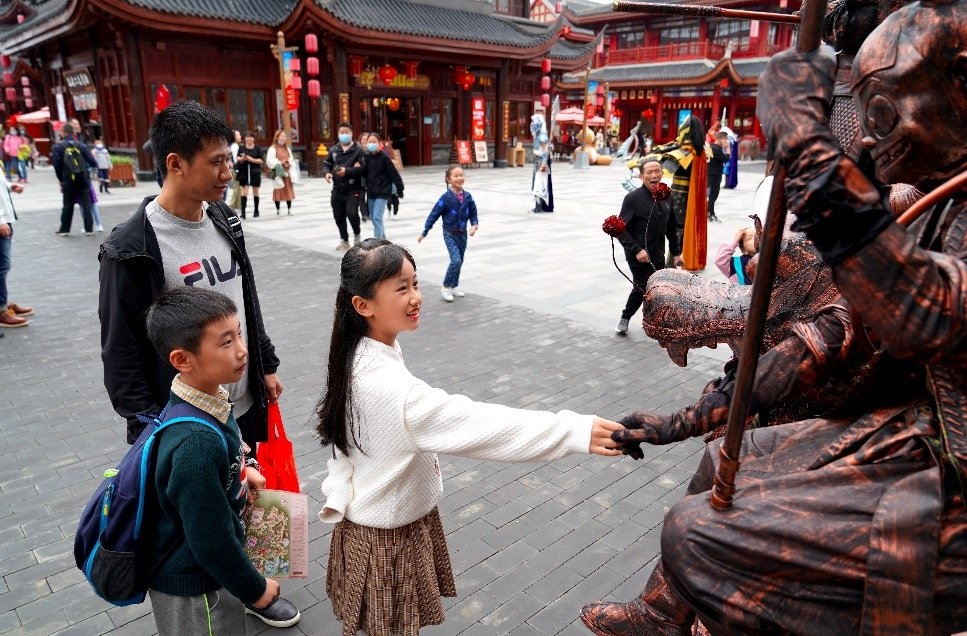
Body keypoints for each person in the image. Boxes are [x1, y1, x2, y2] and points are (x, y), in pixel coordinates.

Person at [582, 2, 967, 633]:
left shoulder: (922, 207)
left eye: (881, 115)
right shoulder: (930, 203)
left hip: (951, 470)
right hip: (919, 429)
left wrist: (809, 146)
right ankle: (661, 614)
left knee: (699, 537)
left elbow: (924, 311)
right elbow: (820, 338)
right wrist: (681, 422)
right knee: (722, 464)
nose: (870, 140)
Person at [315, 239, 623, 636]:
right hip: (385, 538)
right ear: (363, 305)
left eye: (415, 283)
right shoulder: (392, 389)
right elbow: (482, 425)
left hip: (371, 522)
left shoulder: (356, 351)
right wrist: (574, 431)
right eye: (402, 288)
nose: (416, 297)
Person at [98, 101, 298, 628]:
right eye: (217, 161)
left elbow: (246, 299)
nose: (228, 171)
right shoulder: (131, 248)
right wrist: (153, 430)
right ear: (175, 164)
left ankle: (254, 583)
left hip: (239, 399)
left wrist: (265, 362)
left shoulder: (224, 219)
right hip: (188, 417)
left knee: (248, 493)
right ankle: (230, 594)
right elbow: (121, 354)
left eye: (229, 159)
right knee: (203, 516)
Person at [142, 286, 300, 633]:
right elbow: (210, 541)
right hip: (198, 588)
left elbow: (227, 446)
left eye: (239, 335)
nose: (242, 350)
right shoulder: (194, 446)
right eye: (226, 342)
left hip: (209, 573)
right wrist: (255, 590)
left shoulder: (206, 397)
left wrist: (243, 469)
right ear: (183, 360)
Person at [614, 157, 683, 335]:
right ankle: (625, 317)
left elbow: (671, 227)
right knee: (642, 286)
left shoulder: (666, 196)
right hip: (637, 255)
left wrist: (676, 253)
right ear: (641, 176)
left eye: (657, 171)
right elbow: (620, 230)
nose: (654, 175)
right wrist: (637, 250)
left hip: (657, 253)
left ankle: (657, 320)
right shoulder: (632, 199)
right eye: (649, 172)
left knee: (658, 287)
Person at [417, 166, 478, 302]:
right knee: (456, 260)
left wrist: (474, 225)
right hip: (449, 234)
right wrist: (425, 231)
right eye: (456, 176)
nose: (459, 178)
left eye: (461, 175)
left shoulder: (468, 196)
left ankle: (454, 285)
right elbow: (434, 215)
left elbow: (473, 213)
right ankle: (445, 286)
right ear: (448, 179)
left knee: (460, 261)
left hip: (462, 234)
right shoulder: (445, 198)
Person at [322, 122, 365, 251]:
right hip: (337, 188)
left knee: (352, 213)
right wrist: (327, 173)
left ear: (352, 134)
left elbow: (363, 168)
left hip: (353, 188)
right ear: (338, 134)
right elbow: (327, 163)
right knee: (338, 215)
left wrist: (347, 171)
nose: (344, 135)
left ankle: (357, 235)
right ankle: (344, 240)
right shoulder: (334, 150)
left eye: (347, 132)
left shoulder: (358, 150)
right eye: (342, 133)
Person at [51, 122, 97, 236]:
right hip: (83, 177)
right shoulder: (81, 145)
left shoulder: (58, 147)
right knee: (86, 202)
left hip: (68, 179)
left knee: (67, 203)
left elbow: (57, 165)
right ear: (73, 132)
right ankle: (89, 229)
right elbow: (93, 162)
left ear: (63, 132)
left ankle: (65, 229)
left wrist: (61, 179)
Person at [0, 169, 31, 330]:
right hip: (2, 221)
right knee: (2, 266)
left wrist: (10, 186)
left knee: (3, 266)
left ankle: (3, 304)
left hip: (6, 219)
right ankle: (1, 310)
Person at [362, 132, 403, 240]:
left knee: (376, 217)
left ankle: (378, 242)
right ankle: (383, 238)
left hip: (383, 192)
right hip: (371, 192)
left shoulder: (384, 157)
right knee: (374, 217)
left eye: (374, 142)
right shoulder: (366, 157)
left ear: (379, 143)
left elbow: (394, 174)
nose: (371, 144)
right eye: (370, 142)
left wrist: (400, 188)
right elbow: (362, 172)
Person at [235, 130, 264, 219]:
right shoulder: (241, 148)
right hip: (244, 171)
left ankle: (256, 210)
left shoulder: (257, 148)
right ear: (245, 138)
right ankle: (243, 212)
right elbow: (237, 157)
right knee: (244, 191)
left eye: (251, 137)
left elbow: (261, 160)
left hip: (255, 171)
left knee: (256, 191)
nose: (249, 139)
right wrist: (242, 159)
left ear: (253, 138)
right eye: (247, 137)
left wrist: (252, 159)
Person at [265, 130, 295, 215]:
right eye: (282, 136)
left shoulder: (287, 148)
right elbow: (269, 160)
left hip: (287, 172)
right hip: (278, 172)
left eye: (285, 136)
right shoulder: (273, 148)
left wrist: (289, 162)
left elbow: (291, 158)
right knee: (278, 190)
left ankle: (289, 209)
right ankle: (278, 209)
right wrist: (280, 163)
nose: (283, 138)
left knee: (288, 190)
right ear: (277, 137)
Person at [530, 113, 554, 213]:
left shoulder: (542, 136)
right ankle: (537, 205)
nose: (532, 125)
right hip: (537, 161)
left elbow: (545, 151)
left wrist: (544, 163)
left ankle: (539, 206)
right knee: (536, 183)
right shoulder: (538, 136)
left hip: (541, 162)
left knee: (539, 184)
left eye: (534, 123)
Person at [706, 131, 729, 223]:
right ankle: (710, 214)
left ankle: (709, 213)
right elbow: (726, 159)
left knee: (711, 195)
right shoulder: (716, 149)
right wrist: (728, 148)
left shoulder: (711, 147)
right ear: (721, 139)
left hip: (711, 174)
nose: (726, 141)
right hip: (714, 175)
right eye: (725, 139)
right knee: (713, 196)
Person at [356, 131, 369, 222]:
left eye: (366, 139)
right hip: (360, 177)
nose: (364, 141)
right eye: (362, 139)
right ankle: (364, 214)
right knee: (361, 197)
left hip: (370, 177)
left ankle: (368, 212)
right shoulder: (356, 151)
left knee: (370, 197)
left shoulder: (372, 151)